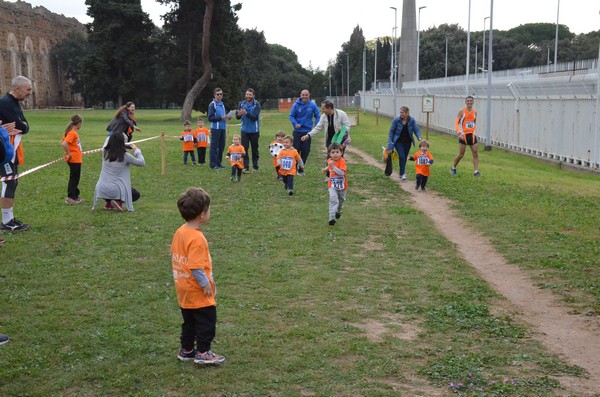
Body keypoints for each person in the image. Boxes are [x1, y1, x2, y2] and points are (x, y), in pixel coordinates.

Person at [171, 187, 225, 365]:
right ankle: (203, 352)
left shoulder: (180, 231)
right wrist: (205, 284)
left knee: (189, 321)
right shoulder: (197, 239)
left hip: (183, 287)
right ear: (202, 215)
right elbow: (195, 267)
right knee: (206, 321)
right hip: (196, 288)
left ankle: (186, 350)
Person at [0, 76, 33, 232]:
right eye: (28, 89)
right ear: (17, 88)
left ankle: (9, 219)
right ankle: (6, 222)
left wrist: (22, 126)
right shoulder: (5, 102)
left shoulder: (14, 103)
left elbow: (24, 126)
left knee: (13, 181)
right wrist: (21, 125)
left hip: (11, 149)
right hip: (5, 150)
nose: (30, 93)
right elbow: (20, 124)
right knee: (9, 182)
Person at [92, 132, 145, 212]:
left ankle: (109, 203)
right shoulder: (125, 156)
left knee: (109, 188)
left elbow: (107, 142)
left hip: (101, 188)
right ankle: (118, 201)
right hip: (116, 189)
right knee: (135, 194)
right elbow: (141, 162)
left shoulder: (105, 152)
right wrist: (137, 151)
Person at [387, 105, 422, 181]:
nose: (401, 114)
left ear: (407, 113)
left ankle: (401, 172)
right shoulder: (396, 120)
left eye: (402, 113)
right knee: (402, 156)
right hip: (398, 142)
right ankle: (403, 173)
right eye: (400, 112)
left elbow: (416, 130)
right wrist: (390, 142)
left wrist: (419, 137)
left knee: (404, 157)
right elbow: (391, 132)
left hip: (408, 142)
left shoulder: (412, 120)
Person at [289, 89, 320, 169]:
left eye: (306, 95)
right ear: (300, 95)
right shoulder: (296, 105)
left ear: (309, 95)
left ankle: (301, 168)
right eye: (303, 95)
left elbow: (317, 115)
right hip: (297, 132)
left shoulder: (312, 105)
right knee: (296, 150)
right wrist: (295, 124)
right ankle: (294, 167)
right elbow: (291, 116)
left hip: (307, 132)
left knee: (306, 150)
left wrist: (316, 125)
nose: (304, 96)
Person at [451, 96, 480, 176]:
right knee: (461, 154)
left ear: (473, 102)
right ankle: (453, 168)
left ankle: (476, 171)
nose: (469, 102)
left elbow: (473, 123)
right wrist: (459, 133)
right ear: (465, 102)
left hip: (472, 135)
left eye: (471, 101)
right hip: (463, 135)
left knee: (475, 153)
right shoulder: (461, 111)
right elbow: (457, 123)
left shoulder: (475, 112)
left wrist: (474, 131)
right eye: (468, 101)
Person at [60, 114, 85, 204]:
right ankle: (71, 197)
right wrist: (69, 154)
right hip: (74, 159)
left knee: (76, 178)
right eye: (81, 123)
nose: (81, 125)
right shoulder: (72, 133)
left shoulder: (71, 132)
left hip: (76, 159)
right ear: (78, 123)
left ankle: (75, 196)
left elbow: (62, 142)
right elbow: (64, 144)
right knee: (74, 178)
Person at [236, 88, 261, 173]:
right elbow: (237, 117)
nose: (248, 96)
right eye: (247, 94)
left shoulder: (257, 104)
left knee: (255, 149)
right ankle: (246, 167)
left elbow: (254, 118)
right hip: (244, 130)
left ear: (253, 95)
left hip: (254, 130)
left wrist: (246, 113)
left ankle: (255, 166)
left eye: (250, 95)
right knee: (244, 149)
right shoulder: (241, 104)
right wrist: (239, 114)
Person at [322, 143, 348, 226]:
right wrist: (325, 169)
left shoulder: (342, 162)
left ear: (341, 153)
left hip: (342, 185)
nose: (335, 154)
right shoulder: (330, 161)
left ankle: (338, 211)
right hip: (332, 184)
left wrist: (333, 167)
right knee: (333, 199)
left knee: (341, 201)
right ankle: (331, 218)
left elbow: (341, 173)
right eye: (333, 152)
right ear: (329, 154)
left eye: (337, 152)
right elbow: (329, 166)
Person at [208, 88, 228, 169]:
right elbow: (210, 117)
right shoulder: (212, 104)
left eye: (221, 94)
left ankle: (219, 163)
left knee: (222, 146)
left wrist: (227, 117)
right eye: (218, 94)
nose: (219, 95)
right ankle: (213, 164)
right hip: (215, 129)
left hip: (222, 128)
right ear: (214, 95)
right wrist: (220, 118)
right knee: (214, 147)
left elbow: (223, 116)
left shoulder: (222, 104)